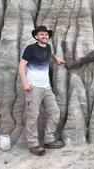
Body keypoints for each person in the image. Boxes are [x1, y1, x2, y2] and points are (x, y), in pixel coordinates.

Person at [19, 25, 66, 156]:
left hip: (46, 87)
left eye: (46, 34)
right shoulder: (31, 49)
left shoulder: (48, 47)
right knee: (33, 116)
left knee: (55, 112)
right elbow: (21, 66)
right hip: (33, 87)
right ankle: (33, 144)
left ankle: (48, 139)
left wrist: (56, 59)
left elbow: (49, 53)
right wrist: (25, 83)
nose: (44, 36)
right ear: (36, 36)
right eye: (41, 34)